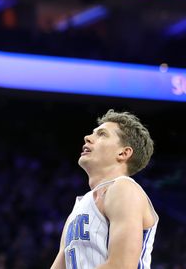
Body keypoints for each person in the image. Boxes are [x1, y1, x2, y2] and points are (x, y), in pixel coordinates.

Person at [50, 110, 157, 269]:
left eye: (102, 134)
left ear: (123, 153)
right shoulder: (80, 205)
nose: (87, 137)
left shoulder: (124, 188)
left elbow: (122, 265)